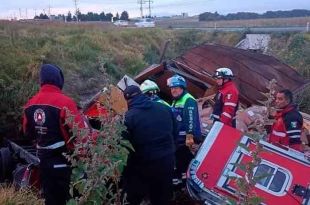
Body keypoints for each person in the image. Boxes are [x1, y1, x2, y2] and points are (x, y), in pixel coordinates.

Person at [22, 64, 88, 205]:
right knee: (69, 198)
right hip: (63, 162)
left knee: (50, 198)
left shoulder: (30, 104)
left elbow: (27, 132)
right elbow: (82, 134)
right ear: (59, 80)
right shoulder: (66, 103)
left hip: (43, 162)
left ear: (42, 80)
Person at [122, 85, 176, 205]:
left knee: (133, 197)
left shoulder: (128, 118)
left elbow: (124, 147)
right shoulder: (164, 108)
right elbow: (175, 132)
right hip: (167, 160)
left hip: (143, 165)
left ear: (128, 100)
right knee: (162, 198)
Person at [167, 74, 201, 183]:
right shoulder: (176, 100)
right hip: (179, 137)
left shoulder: (188, 100)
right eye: (172, 88)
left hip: (186, 137)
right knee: (178, 158)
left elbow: (190, 119)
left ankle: (186, 180)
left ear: (182, 88)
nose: (173, 90)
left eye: (176, 88)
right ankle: (180, 179)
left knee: (184, 159)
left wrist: (189, 136)